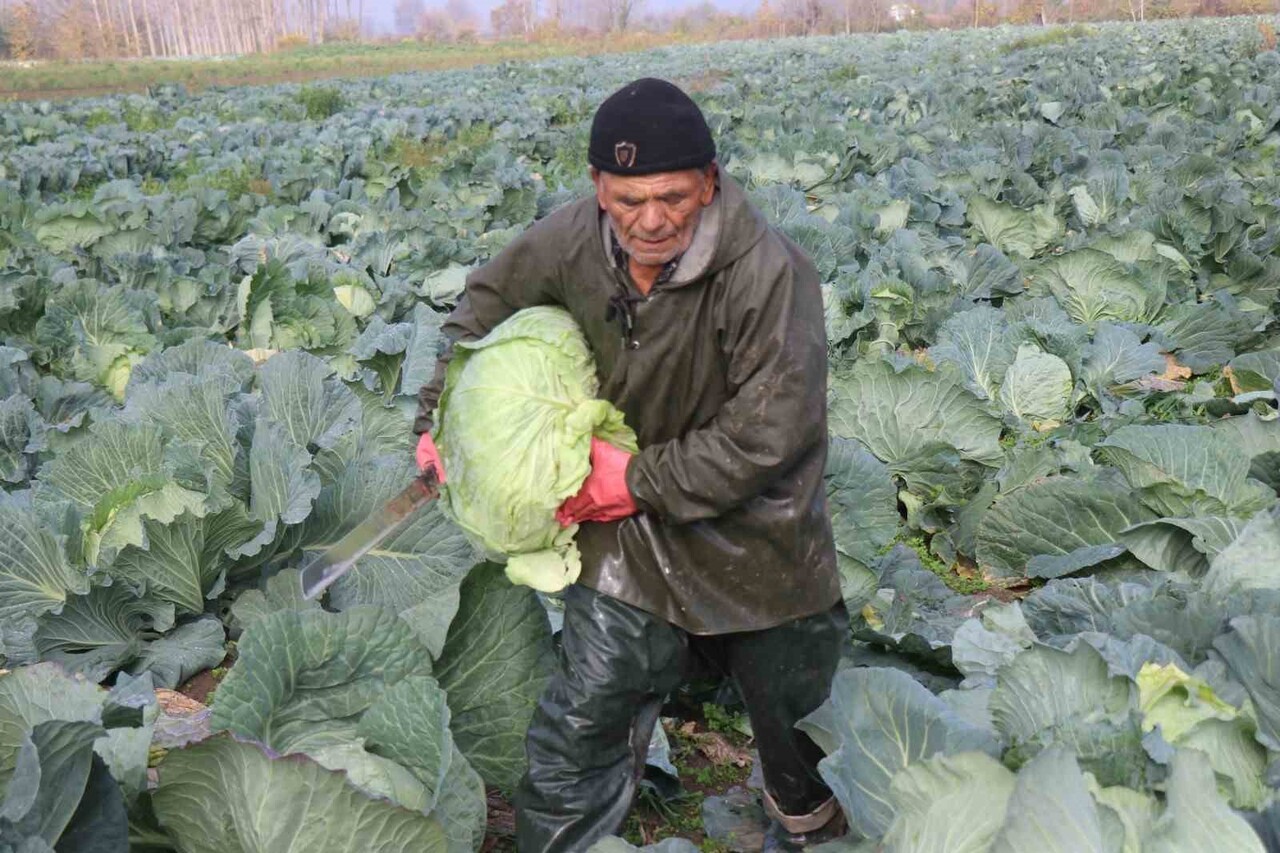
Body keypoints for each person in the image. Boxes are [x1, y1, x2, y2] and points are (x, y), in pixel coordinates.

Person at [414, 77, 848, 852]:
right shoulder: (569, 241)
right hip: (625, 533)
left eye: (673, 197)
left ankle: (807, 817)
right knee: (583, 718)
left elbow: (770, 432)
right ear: (597, 186)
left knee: (796, 715)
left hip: (756, 529)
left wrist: (636, 480)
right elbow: (479, 311)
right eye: (628, 200)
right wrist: (437, 422)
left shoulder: (768, 272)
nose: (651, 220)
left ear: (709, 181)